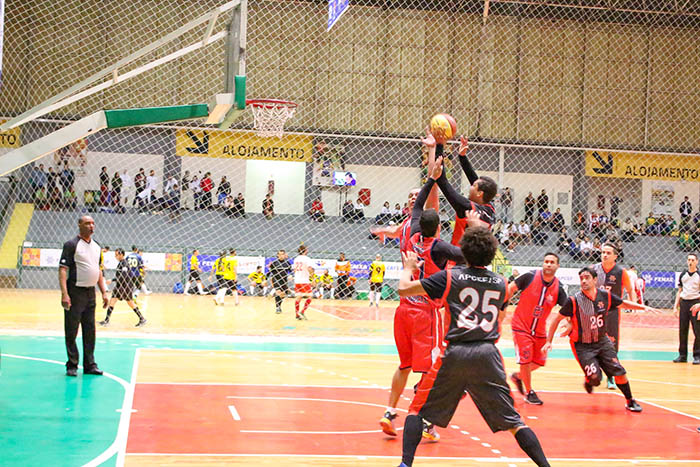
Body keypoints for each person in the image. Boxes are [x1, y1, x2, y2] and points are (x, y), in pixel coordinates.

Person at [396, 227, 550, 467]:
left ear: (463, 252)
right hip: (487, 353)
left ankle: (405, 464)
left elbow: (403, 289)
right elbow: (500, 316)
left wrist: (408, 269)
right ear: (491, 254)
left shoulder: (450, 277)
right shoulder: (501, 283)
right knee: (515, 423)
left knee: (417, 410)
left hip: (455, 352)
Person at [379, 163, 470, 442]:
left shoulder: (411, 235)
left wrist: (431, 178)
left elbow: (419, 206)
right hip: (424, 313)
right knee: (433, 370)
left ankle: (389, 411)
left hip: (403, 310)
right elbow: (465, 255)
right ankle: (423, 420)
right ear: (439, 228)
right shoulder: (439, 247)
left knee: (404, 365)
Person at [543, 266, 660, 411]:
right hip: (583, 346)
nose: (584, 281)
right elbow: (556, 319)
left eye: (587, 278)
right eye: (581, 278)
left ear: (595, 280)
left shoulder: (605, 296)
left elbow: (622, 303)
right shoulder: (574, 300)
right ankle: (589, 379)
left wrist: (642, 307)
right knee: (596, 379)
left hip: (602, 341)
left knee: (620, 372)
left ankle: (630, 401)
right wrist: (549, 341)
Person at [507, 253, 568, 405]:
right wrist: (502, 305)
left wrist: (569, 323)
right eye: (546, 261)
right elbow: (510, 288)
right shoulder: (530, 276)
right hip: (521, 326)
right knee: (525, 360)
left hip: (539, 330)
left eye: (552, 262)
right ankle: (529, 392)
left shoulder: (559, 288)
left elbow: (567, 309)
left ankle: (518, 377)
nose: (548, 264)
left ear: (557, 266)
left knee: (539, 361)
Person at [59, 216, 109, 376]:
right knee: (71, 330)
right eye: (87, 223)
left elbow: (98, 270)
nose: (91, 226)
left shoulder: (97, 246)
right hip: (75, 292)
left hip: (90, 293)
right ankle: (72, 365)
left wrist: (104, 292)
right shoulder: (71, 245)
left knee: (90, 331)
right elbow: (63, 270)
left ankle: (90, 365)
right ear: (79, 225)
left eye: (93, 223)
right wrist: (65, 294)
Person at [430, 136, 496, 244]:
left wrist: (439, 145)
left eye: (473, 186)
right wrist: (462, 157)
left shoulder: (467, 208)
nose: (470, 186)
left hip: (459, 254)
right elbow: (474, 179)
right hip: (477, 253)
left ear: (480, 193)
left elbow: (442, 181)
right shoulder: (490, 208)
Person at [594, 242, 635, 389]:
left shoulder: (621, 272)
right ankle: (594, 370)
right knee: (592, 341)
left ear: (615, 256)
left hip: (612, 311)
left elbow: (630, 290)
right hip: (595, 311)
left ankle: (610, 376)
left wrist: (633, 306)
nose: (605, 255)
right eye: (603, 252)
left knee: (611, 344)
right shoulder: (594, 269)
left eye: (608, 253)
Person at [98, 248, 147, 327]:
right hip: (120, 286)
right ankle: (106, 320)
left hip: (125, 286)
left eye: (116, 255)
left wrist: (112, 280)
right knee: (112, 301)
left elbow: (124, 276)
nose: (115, 256)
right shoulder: (121, 263)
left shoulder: (124, 263)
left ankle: (142, 319)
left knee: (130, 302)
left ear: (121, 255)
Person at [672, 253, 700, 364]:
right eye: (689, 260)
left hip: (695, 303)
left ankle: (697, 355)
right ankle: (682, 355)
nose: (690, 262)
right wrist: (675, 307)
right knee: (682, 330)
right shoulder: (683, 274)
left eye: (692, 260)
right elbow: (679, 291)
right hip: (684, 303)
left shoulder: (698, 275)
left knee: (697, 330)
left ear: (697, 261)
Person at [293, 245, 315, 320]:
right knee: (310, 296)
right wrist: (313, 279)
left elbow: (294, 270)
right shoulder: (307, 259)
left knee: (298, 297)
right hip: (304, 281)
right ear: (305, 251)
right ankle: (302, 311)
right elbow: (309, 268)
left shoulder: (296, 259)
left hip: (297, 280)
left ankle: (297, 314)